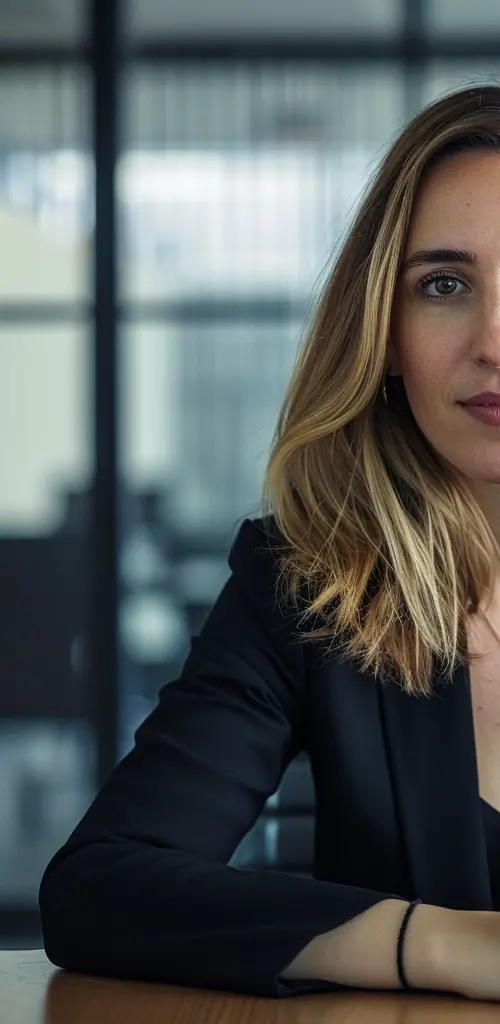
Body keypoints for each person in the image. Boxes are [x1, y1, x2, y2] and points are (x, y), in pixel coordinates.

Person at [39, 83, 500, 1003]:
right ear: (385, 337)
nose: (495, 341)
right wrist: (443, 945)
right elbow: (100, 888)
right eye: (445, 286)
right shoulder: (310, 583)